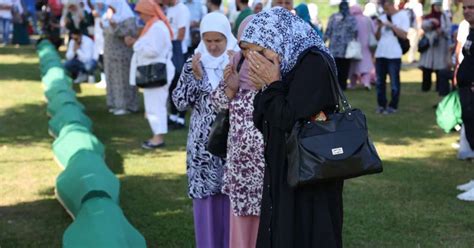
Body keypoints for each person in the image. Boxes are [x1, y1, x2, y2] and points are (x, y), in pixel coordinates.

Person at [239, 7, 343, 247]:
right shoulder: (286, 65)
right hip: (284, 172)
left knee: (307, 232)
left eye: (260, 51)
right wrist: (267, 88)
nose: (254, 61)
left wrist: (272, 85)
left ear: (278, 38)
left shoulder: (313, 64)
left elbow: (287, 119)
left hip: (311, 175)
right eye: (248, 53)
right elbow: (263, 121)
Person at [172, 12, 239, 248]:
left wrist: (236, 75)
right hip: (201, 146)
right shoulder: (195, 62)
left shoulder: (238, 60)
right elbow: (179, 102)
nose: (212, 46)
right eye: (208, 40)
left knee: (232, 199)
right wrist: (196, 78)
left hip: (232, 143)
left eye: (217, 40)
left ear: (227, 36)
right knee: (206, 200)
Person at [211, 15, 264, 248]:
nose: (250, 50)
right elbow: (217, 102)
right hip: (240, 159)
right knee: (241, 215)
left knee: (266, 213)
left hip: (265, 158)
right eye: (245, 44)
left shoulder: (275, 63)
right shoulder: (236, 61)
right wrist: (230, 90)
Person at [127, 0, 174, 149]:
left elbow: (153, 51)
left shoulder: (157, 27)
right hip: (154, 73)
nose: (139, 16)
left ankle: (158, 138)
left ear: (147, 12)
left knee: (156, 106)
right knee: (154, 105)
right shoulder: (153, 26)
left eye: (140, 12)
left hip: (157, 73)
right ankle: (156, 135)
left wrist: (136, 44)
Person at [103, 0, 139, 115]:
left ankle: (125, 105)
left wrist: (115, 26)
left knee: (122, 80)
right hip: (110, 53)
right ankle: (114, 103)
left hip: (122, 54)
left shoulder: (127, 16)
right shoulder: (109, 15)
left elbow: (130, 33)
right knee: (112, 78)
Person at [374, 0, 410, 114]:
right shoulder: (382, 16)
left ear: (390, 4)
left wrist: (390, 25)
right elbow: (377, 37)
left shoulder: (403, 15)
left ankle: (393, 106)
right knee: (380, 82)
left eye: (385, 6)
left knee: (394, 83)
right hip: (380, 53)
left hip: (394, 54)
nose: (384, 9)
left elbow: (404, 35)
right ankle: (381, 105)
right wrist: (380, 27)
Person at [456, 0, 474, 201]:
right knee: (471, 135)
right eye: (465, 7)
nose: (468, 11)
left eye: (472, 7)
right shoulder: (471, 30)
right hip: (466, 91)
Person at [164, 0, 191, 128]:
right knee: (171, 85)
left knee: (179, 85)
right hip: (171, 51)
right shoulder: (170, 8)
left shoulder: (182, 9)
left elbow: (181, 34)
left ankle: (180, 119)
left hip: (179, 51)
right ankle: (173, 116)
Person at [419, 0, 451, 93]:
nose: (437, 7)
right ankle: (426, 87)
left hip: (440, 45)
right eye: (436, 5)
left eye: (439, 5)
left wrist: (442, 31)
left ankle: (439, 87)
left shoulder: (444, 16)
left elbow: (448, 29)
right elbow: (423, 26)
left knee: (440, 68)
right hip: (429, 45)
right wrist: (432, 23)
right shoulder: (428, 16)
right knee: (427, 68)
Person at [325, 0, 358, 90]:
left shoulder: (333, 17)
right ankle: (342, 86)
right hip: (346, 48)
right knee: (345, 67)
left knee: (335, 67)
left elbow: (328, 31)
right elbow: (355, 32)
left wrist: (324, 41)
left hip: (334, 47)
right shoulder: (352, 18)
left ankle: (335, 85)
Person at [348, 4, 374, 90]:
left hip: (354, 46)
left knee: (353, 66)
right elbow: (373, 30)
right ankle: (366, 82)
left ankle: (352, 83)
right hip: (366, 45)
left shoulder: (351, 19)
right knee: (365, 65)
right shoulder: (367, 19)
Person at [92, 0, 108, 87]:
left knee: (104, 59)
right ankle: (103, 78)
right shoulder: (98, 18)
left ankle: (106, 79)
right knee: (100, 59)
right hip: (99, 43)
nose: (98, 5)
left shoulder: (106, 17)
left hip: (105, 43)